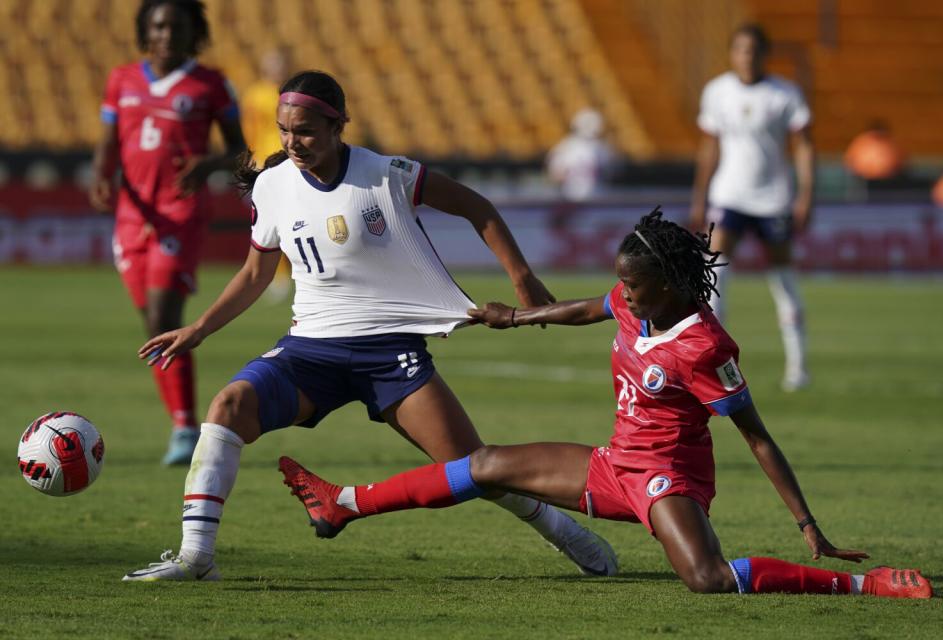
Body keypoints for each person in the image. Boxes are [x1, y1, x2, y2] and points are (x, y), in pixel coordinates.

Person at [275, 209, 933, 599]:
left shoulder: (704, 344)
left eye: (636, 286)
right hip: (613, 463)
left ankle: (862, 585)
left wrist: (807, 523)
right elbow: (593, 307)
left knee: (705, 579)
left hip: (667, 479)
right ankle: (347, 503)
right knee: (484, 464)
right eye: (624, 282)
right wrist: (521, 318)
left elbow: (756, 436)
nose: (625, 295)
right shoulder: (633, 299)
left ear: (673, 284)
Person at [121, 70, 619, 581]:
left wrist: (522, 277)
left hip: (389, 354)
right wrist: (199, 330)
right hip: (309, 352)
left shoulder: (387, 173)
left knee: (476, 469)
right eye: (285, 130)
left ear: (340, 125)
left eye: (307, 131)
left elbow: (476, 206)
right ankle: (196, 557)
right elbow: (254, 274)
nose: (294, 142)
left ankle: (564, 531)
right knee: (227, 407)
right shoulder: (271, 187)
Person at [89, 0, 247, 465]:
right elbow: (107, 143)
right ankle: (180, 423)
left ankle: (184, 429)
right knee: (152, 323)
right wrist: (102, 175)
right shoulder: (122, 79)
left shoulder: (210, 84)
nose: (166, 35)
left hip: (180, 212)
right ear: (145, 30)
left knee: (163, 315)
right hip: (132, 216)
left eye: (176, 27)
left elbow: (239, 151)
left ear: (191, 32)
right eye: (158, 26)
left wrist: (209, 164)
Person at [689, 24, 815, 392]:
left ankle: (798, 366)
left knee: (783, 278)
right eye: (741, 50)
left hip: (773, 198)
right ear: (732, 53)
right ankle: (712, 361)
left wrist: (805, 194)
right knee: (714, 275)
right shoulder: (717, 91)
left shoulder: (784, 94)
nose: (747, 57)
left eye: (754, 50)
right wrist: (700, 197)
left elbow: (804, 146)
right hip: (729, 195)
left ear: (764, 54)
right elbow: (709, 147)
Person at [241, 47, 293, 303]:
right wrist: (251, 158)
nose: (277, 69)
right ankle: (276, 274)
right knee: (269, 223)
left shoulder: (292, 93)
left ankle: (288, 273)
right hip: (265, 162)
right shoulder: (256, 95)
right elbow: (249, 128)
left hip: (292, 160)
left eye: (280, 64)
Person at [545, 108, 616, 202]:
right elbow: (556, 175)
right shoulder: (566, 146)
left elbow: (611, 173)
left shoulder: (601, 148)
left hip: (596, 197)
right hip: (572, 198)